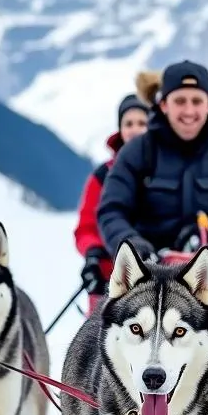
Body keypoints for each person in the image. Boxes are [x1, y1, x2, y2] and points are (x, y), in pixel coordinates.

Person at [96, 60, 208, 290]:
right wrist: (133, 246)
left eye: (197, 101)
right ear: (163, 105)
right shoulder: (136, 153)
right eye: (180, 101)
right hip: (151, 274)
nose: (189, 110)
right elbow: (112, 211)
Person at [74, 93, 150, 304]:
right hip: (109, 274)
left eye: (142, 123)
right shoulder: (102, 176)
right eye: (129, 123)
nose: (135, 129)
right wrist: (93, 252)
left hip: (157, 270)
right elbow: (85, 227)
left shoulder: (163, 171)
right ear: (120, 128)